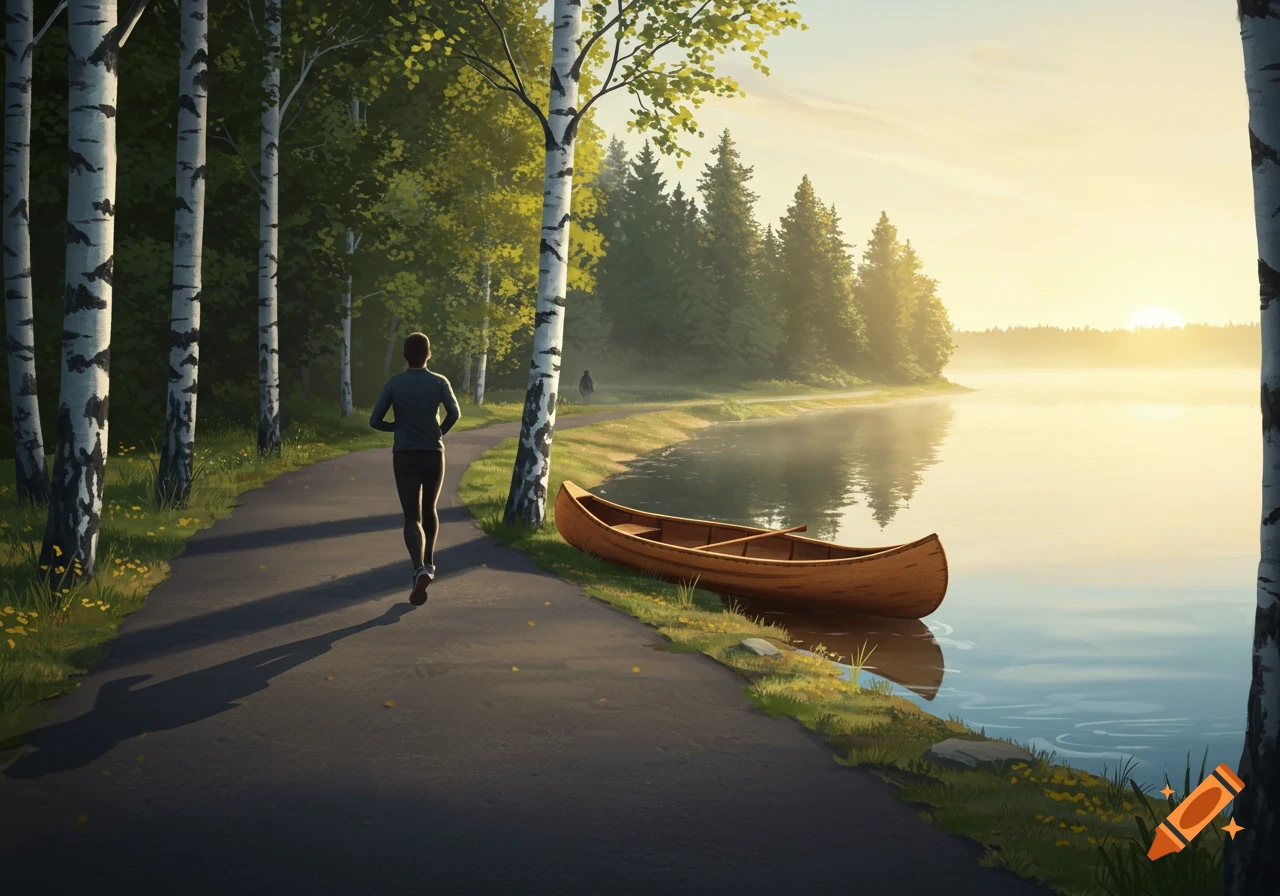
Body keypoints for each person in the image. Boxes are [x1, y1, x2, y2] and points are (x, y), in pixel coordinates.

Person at [370, 333, 460, 605]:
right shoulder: (439, 381)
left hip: (404, 454)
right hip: (433, 453)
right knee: (430, 508)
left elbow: (375, 421)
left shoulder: (394, 383)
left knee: (412, 516)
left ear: (404, 356)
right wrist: (439, 432)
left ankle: (418, 568)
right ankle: (430, 563)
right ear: (428, 354)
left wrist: (397, 427)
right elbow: (454, 413)